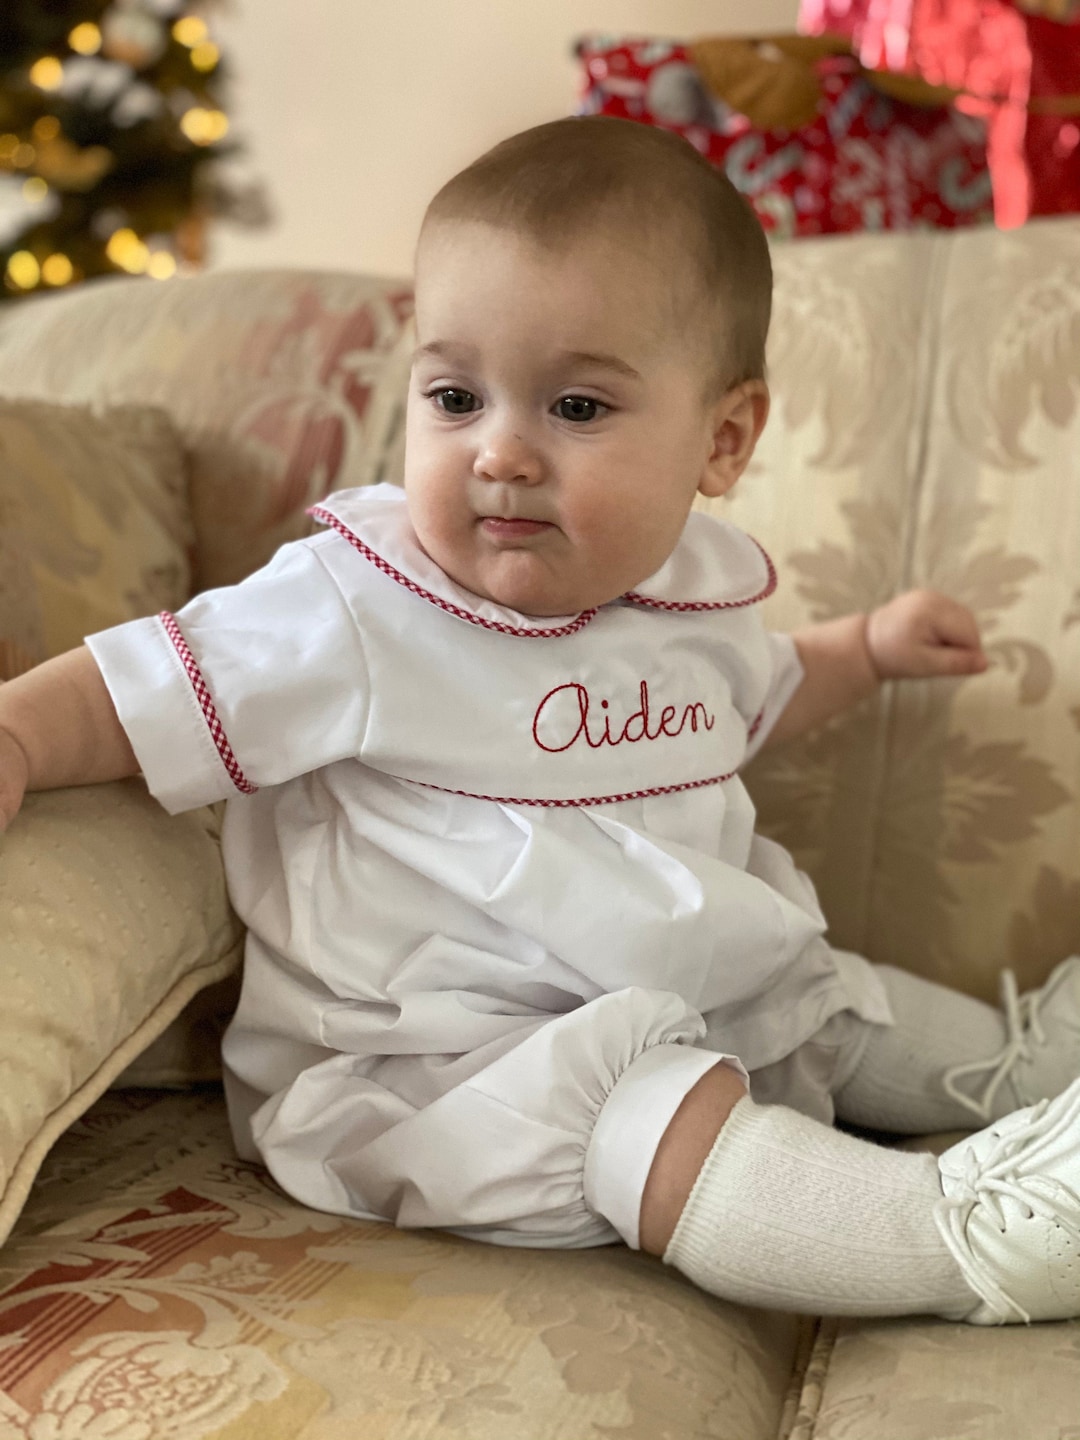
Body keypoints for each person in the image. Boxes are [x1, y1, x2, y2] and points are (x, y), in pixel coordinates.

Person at [1, 115, 1078, 1327]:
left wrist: (865, 651)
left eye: (574, 407)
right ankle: (961, 1240)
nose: (500, 452)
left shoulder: (694, 593)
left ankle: (1028, 1063)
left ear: (721, 441)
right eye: (455, 396)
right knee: (654, 1112)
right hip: (445, 1069)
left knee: (822, 990)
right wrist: (23, 735)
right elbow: (147, 684)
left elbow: (749, 701)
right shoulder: (359, 603)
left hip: (682, 991)